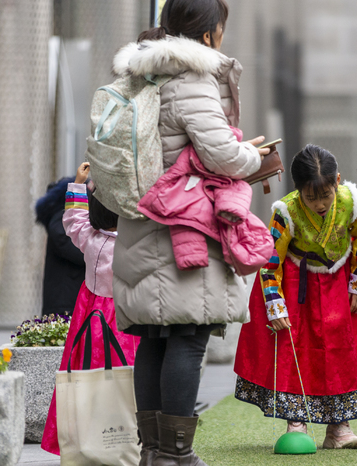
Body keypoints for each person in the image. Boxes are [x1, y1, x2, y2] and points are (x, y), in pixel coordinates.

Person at [110, 1, 270, 464]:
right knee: (188, 335)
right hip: (185, 227)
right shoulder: (193, 79)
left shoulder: (139, 75)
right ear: (207, 35)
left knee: (154, 335)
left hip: (141, 219)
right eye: (220, 28)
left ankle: (155, 452)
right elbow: (221, 154)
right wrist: (254, 158)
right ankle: (176, 455)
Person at [234, 145, 357, 449]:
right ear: (298, 190)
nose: (319, 204)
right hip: (296, 286)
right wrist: (275, 305)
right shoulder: (285, 211)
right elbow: (271, 260)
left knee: (340, 350)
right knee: (297, 351)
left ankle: (338, 427)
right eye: (311, 197)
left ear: (337, 182)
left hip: (338, 285)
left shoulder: (353, 203)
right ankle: (297, 422)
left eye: (326, 195)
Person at [41, 162, 140, 455]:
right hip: (127, 316)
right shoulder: (135, 244)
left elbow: (73, 219)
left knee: (86, 375)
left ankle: (85, 436)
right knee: (129, 379)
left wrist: (78, 184)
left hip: (91, 314)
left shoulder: (90, 238)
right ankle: (129, 437)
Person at [35, 177, 85, 316]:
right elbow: (63, 240)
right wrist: (94, 253)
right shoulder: (63, 215)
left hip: (66, 297)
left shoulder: (62, 215)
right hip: (65, 299)